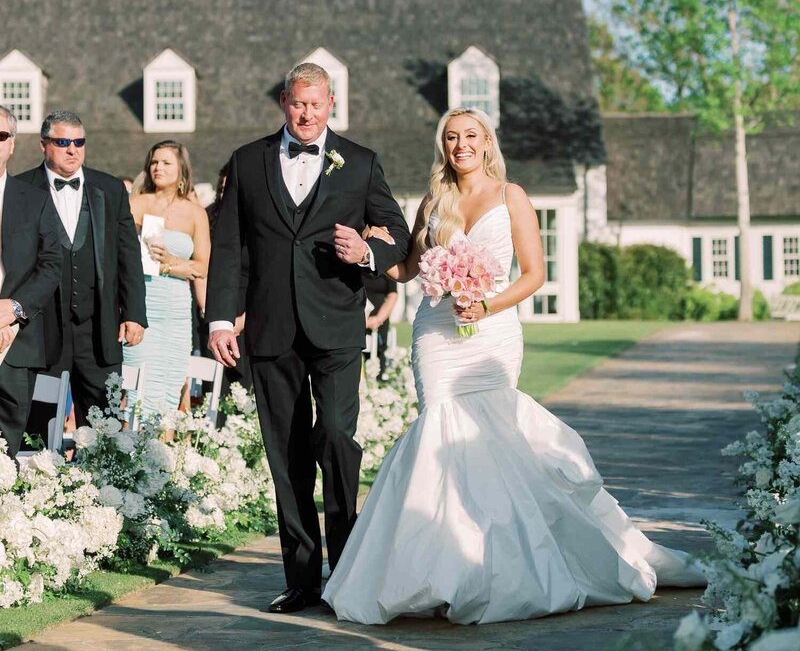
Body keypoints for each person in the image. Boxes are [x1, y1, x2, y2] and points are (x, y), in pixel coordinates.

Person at [322, 107, 706, 625]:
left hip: (492, 333)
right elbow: (409, 268)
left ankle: (505, 567)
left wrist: (486, 304)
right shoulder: (434, 201)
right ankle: (441, 571)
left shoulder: (512, 196)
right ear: (443, 146)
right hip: (436, 332)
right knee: (438, 429)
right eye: (451, 137)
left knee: (495, 439)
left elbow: (533, 274)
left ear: (487, 143)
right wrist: (367, 252)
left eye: (470, 136)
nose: (461, 145)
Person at [206, 62, 410, 614]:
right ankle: (301, 580)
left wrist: (366, 252)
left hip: (337, 325)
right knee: (287, 455)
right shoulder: (247, 161)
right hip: (271, 329)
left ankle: (346, 571)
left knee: (337, 440)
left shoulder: (360, 162)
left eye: (316, 104)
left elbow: (398, 234)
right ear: (283, 101)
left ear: (331, 104)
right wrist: (221, 319)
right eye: (298, 104)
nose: (307, 114)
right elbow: (230, 245)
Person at [17, 110, 147, 427]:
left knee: (105, 427)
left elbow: (129, 255)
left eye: (79, 142)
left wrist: (134, 313)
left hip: (99, 328)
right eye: (63, 142)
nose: (72, 149)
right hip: (40, 330)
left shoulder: (110, 189)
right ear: (43, 145)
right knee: (39, 426)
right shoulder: (20, 189)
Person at [124, 141, 210, 417]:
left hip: (176, 312)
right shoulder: (136, 204)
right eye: (154, 162)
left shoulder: (195, 213)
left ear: (181, 170)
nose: (157, 167)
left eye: (165, 162)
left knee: (171, 387)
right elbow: (119, 255)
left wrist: (170, 264)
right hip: (142, 305)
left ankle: (164, 445)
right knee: (138, 387)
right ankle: (132, 443)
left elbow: (202, 268)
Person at [0, 107, 62, 457]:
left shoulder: (36, 201)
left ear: (12, 144)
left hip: (17, 344)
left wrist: (14, 309)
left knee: (7, 453)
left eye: (0, 136)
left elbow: (51, 266)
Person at [199, 163, 251, 410]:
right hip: (216, 304)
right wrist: (212, 314)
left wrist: (245, 319)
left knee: (246, 382)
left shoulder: (258, 222)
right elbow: (204, 266)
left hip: (253, 306)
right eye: (223, 189)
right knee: (215, 384)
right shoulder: (209, 216)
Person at [361, 272, 398, 379]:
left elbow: (393, 295)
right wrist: (363, 321)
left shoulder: (388, 267)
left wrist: (378, 319)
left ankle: (378, 383)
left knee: (379, 356)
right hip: (357, 320)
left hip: (380, 321)